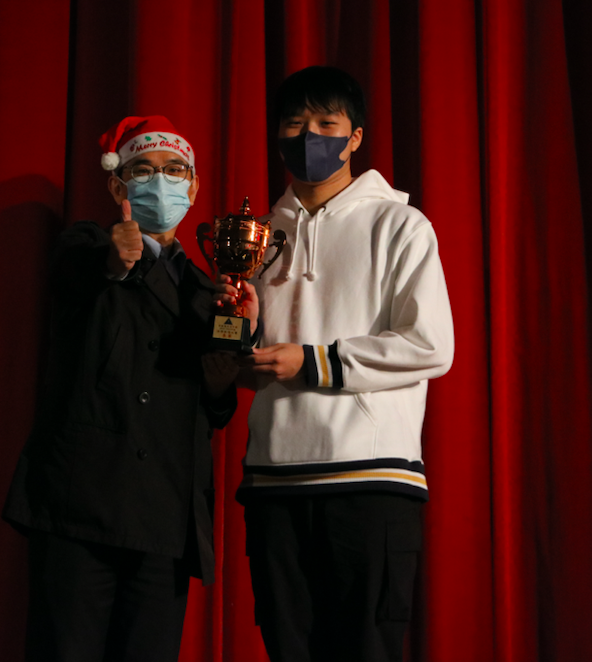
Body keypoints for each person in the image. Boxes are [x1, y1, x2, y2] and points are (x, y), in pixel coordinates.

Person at [222, 66, 454, 661]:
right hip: (273, 480)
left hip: (370, 478)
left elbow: (430, 345)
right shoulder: (257, 234)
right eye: (294, 123)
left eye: (327, 123)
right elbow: (247, 357)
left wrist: (312, 361)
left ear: (355, 137)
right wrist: (241, 335)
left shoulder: (400, 225)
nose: (309, 137)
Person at [3, 115, 240, 662]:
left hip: (165, 516)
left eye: (175, 170)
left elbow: (216, 402)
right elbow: (80, 272)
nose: (162, 182)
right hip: (83, 507)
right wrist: (115, 259)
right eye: (144, 171)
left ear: (194, 187)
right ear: (118, 186)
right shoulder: (88, 244)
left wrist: (230, 354)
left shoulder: (207, 288)